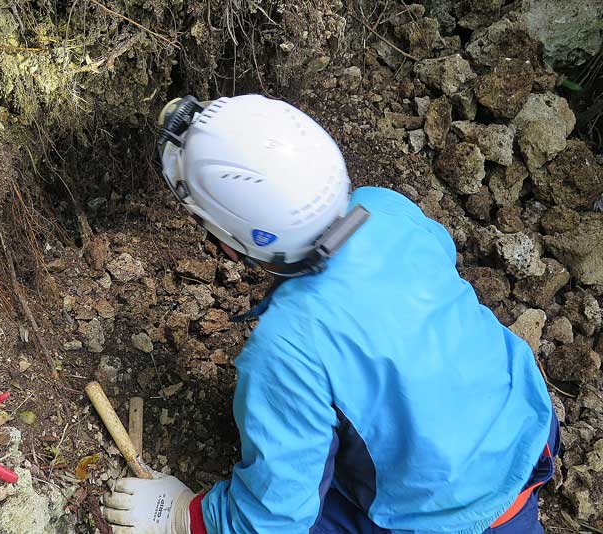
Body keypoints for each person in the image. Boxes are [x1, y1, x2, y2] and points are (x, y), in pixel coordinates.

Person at [101, 95, 558, 534]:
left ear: (228, 242)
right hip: (528, 426)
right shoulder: (384, 208)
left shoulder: (286, 348)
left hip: (447, 514)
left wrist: (184, 516)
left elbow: (272, 522)